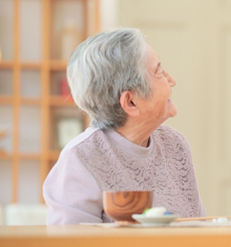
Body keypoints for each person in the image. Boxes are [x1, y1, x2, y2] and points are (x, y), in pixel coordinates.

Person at [43, 28, 206, 224]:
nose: (171, 80)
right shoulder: (80, 158)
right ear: (130, 102)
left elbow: (198, 228)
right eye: (159, 72)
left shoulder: (175, 144)